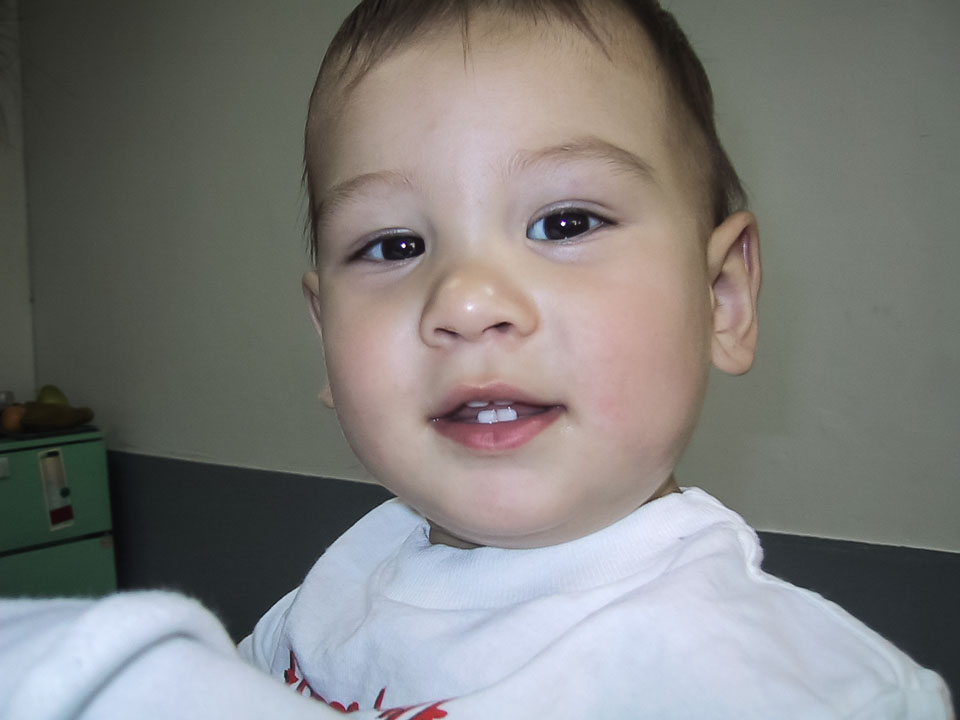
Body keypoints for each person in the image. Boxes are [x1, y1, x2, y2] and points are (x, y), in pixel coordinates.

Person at [0, 1, 953, 718]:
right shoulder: (350, 576)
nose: (463, 301)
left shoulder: (783, 685)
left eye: (564, 222)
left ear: (723, 299)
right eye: (393, 245)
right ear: (325, 336)